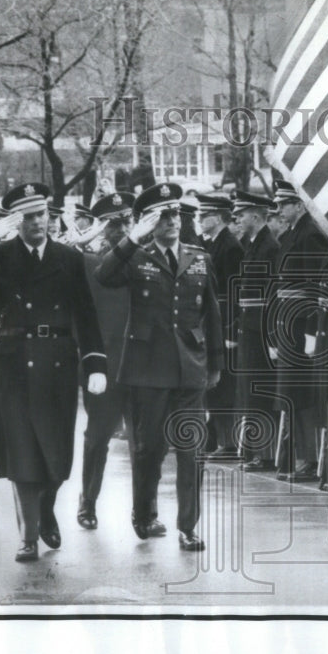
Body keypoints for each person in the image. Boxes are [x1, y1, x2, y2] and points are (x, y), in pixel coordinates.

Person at [0, 183, 108, 562]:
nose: (37, 222)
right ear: (15, 221)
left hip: (57, 360)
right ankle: (28, 536)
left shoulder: (68, 258)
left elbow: (86, 313)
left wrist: (95, 363)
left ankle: (46, 506)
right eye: (28, 217)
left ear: (49, 216)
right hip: (13, 361)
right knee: (22, 452)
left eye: (41, 214)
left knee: (56, 458)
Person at [95, 183, 224, 552]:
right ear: (148, 222)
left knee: (191, 449)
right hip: (148, 370)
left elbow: (211, 313)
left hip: (190, 369)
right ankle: (145, 514)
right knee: (150, 448)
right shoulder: (135, 256)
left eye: (176, 214)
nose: (173, 221)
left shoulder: (199, 257)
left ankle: (188, 527)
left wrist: (215, 363)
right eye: (163, 215)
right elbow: (104, 275)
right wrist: (132, 239)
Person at [76, 192, 135, 530]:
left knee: (143, 442)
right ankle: (88, 503)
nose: (120, 228)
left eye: (124, 220)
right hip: (102, 363)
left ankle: (146, 511)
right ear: (101, 227)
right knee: (97, 437)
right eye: (112, 222)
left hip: (140, 362)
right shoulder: (86, 261)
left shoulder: (143, 257)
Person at [268, 179, 328, 483]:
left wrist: (309, 331)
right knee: (292, 394)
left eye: (284, 204)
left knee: (303, 394)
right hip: (288, 322)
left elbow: (314, 287)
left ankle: (310, 457)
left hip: (300, 325)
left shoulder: (310, 235)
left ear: (300, 205)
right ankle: (301, 455)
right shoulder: (295, 233)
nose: (278, 210)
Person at [230, 192, 282, 472]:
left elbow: (274, 295)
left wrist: (273, 336)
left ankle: (265, 452)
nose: (236, 218)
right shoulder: (251, 245)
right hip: (248, 327)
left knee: (260, 391)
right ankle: (252, 450)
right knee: (248, 392)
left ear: (255, 215)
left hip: (260, 328)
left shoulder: (269, 247)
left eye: (240, 214)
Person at [196, 193, 245, 458]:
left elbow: (233, 293)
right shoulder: (212, 244)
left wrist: (229, 329)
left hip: (225, 322)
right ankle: (215, 437)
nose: (201, 219)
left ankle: (228, 441)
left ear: (219, 217)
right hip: (212, 320)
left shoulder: (230, 246)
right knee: (213, 386)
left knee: (224, 386)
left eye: (206, 215)